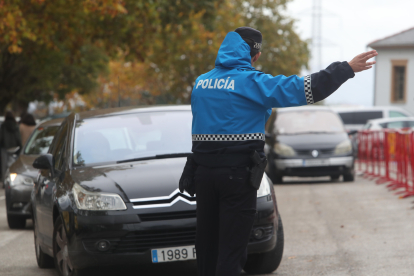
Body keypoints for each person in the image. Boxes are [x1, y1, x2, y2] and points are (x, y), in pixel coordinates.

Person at [179, 26, 377, 276]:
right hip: (236, 177)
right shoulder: (251, 82)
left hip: (203, 176)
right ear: (255, 55)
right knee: (231, 253)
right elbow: (304, 88)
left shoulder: (201, 83)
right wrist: (345, 69)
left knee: (207, 248)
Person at [0, 111, 22, 182]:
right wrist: (20, 147)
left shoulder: (3, 126)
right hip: (14, 148)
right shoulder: (16, 126)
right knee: (13, 165)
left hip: (4, 148)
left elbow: (1, 137)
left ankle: (4, 181)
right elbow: (18, 137)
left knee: (4, 166)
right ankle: (13, 181)